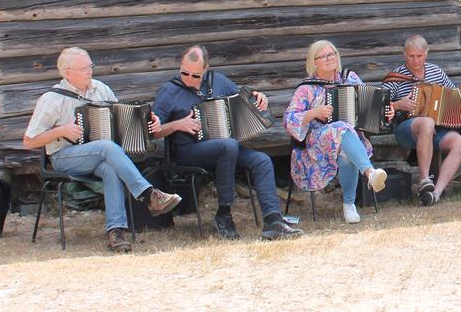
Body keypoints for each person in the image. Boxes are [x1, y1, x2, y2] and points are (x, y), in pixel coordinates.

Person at [22, 47, 181, 253]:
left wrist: (150, 123)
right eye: (83, 68)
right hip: (64, 157)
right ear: (67, 72)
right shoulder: (51, 99)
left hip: (99, 156)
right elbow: (29, 141)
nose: (89, 71)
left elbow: (123, 122)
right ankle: (149, 194)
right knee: (106, 147)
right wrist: (61, 130)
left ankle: (116, 232)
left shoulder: (100, 89)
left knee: (110, 167)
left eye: (90, 66)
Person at [152, 45, 302, 240]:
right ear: (180, 65)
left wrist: (258, 97)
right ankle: (224, 213)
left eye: (195, 75)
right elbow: (154, 132)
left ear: (205, 69)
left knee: (262, 160)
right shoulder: (169, 91)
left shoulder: (218, 81)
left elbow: (242, 99)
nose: (189, 79)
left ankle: (273, 221)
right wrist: (177, 125)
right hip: (189, 151)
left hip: (225, 149)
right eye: (184, 73)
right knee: (228, 145)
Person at [284, 40, 389, 223]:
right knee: (342, 127)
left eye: (331, 54)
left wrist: (385, 111)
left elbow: (370, 104)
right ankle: (370, 174)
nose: (329, 58)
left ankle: (349, 205)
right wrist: (314, 113)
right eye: (323, 56)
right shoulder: (306, 89)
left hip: (348, 140)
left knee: (346, 148)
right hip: (316, 144)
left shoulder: (349, 78)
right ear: (313, 61)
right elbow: (289, 119)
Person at [380, 35, 461, 206]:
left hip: (437, 128)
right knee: (426, 122)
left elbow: (453, 94)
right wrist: (398, 104)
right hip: (406, 129)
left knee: (459, 141)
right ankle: (425, 180)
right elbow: (379, 108)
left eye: (419, 56)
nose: (415, 60)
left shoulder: (436, 72)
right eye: (411, 56)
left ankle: (435, 193)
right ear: (404, 54)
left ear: (426, 54)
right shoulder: (395, 77)